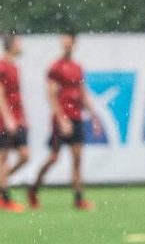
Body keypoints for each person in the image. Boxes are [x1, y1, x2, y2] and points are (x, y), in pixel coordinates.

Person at [27, 31, 102, 210]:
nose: (66, 44)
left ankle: (78, 198)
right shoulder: (55, 68)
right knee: (53, 158)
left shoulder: (77, 68)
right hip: (61, 120)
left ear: (74, 44)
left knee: (77, 159)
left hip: (76, 118)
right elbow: (51, 95)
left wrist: (94, 116)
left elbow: (82, 93)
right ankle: (34, 189)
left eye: (69, 41)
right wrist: (62, 119)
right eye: (64, 40)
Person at [0, 33, 29, 212]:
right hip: (3, 121)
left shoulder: (14, 67)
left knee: (25, 156)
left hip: (18, 119)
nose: (21, 44)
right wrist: (7, 118)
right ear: (11, 45)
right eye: (18, 41)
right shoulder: (0, 67)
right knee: (3, 157)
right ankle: (4, 197)